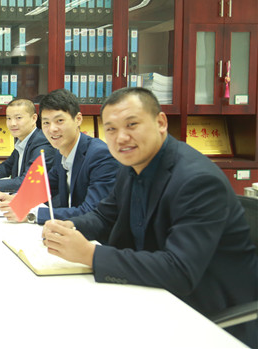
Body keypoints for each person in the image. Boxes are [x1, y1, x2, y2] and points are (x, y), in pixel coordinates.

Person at [42, 87, 258, 347]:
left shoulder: (197, 180)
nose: (121, 137)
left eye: (132, 124)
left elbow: (180, 270)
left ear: (161, 122)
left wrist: (90, 254)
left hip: (208, 317)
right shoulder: (131, 166)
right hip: (149, 294)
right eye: (111, 129)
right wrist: (68, 226)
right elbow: (103, 216)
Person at [0, 89, 119, 224]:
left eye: (60, 121)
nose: (52, 129)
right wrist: (16, 199)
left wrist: (32, 214)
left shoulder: (100, 155)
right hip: (66, 230)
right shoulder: (60, 152)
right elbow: (45, 186)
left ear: (78, 119)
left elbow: (91, 212)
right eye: (46, 122)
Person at [0, 98, 55, 192]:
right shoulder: (22, 140)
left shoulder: (42, 144)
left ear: (34, 118)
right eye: (9, 118)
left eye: (18, 118)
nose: (12, 124)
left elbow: (26, 181)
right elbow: (8, 165)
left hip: (41, 200)